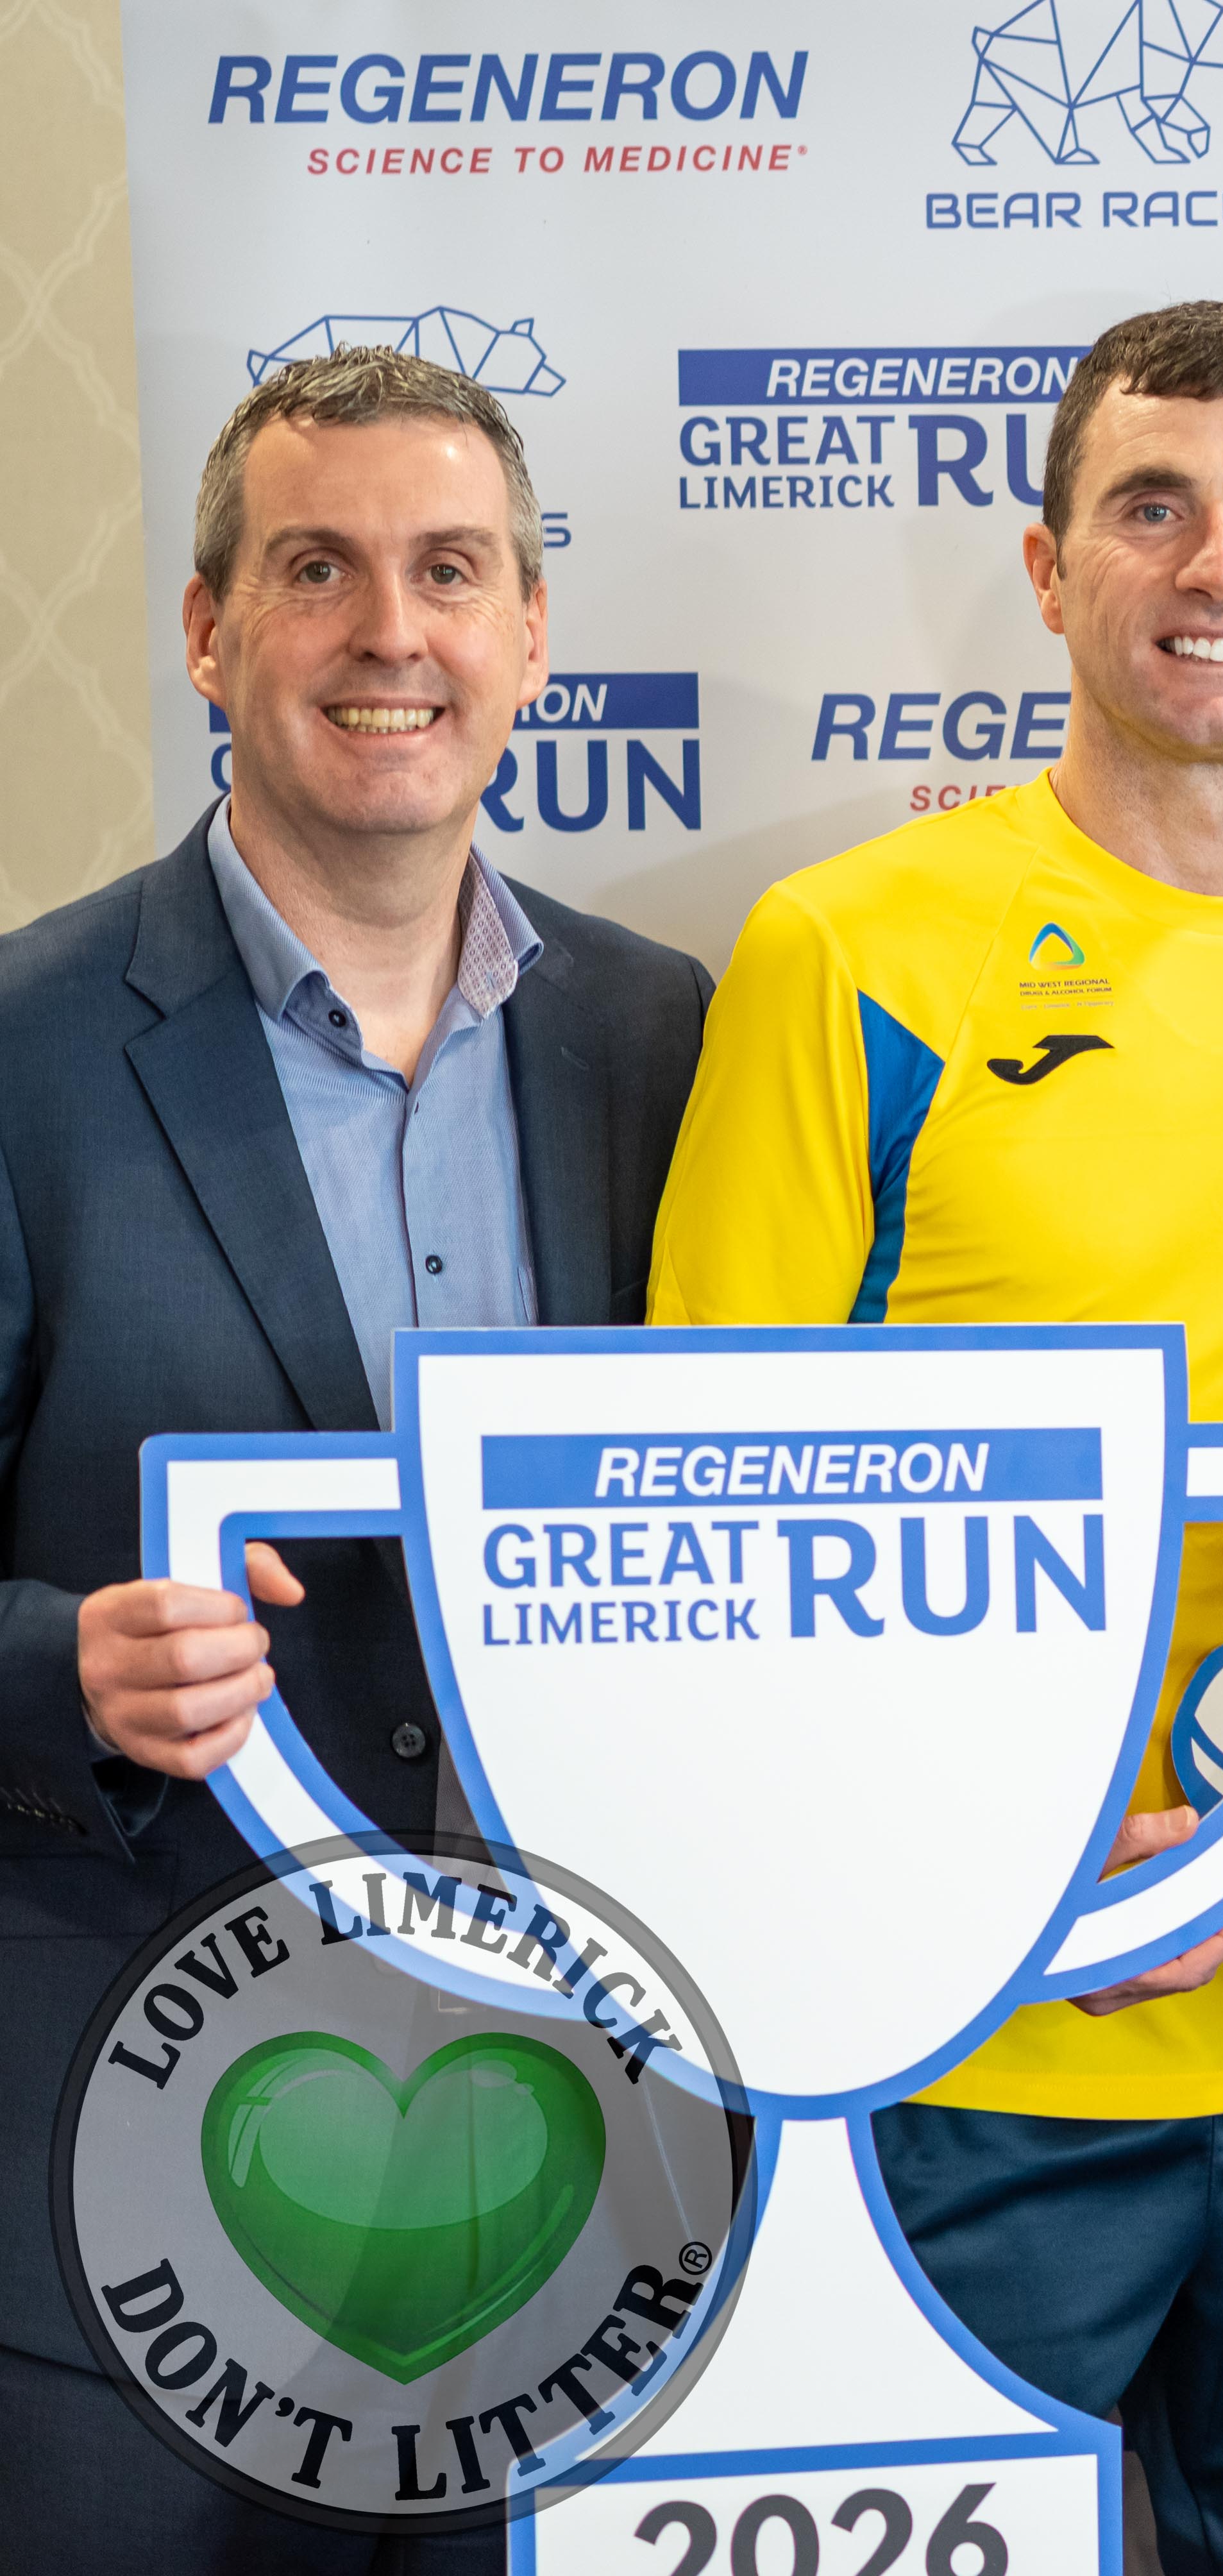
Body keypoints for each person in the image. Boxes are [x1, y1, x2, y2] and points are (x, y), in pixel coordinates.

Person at [646, 300, 1223, 2576]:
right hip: (965, 2036)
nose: (1217, 564)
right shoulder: (848, 952)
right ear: (1050, 569)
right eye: (1153, 506)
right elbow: (713, 1538)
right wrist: (990, 1873)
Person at [0, 346, 713, 2568]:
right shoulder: (20, 1052)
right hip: (128, 2174)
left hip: (598, 2167)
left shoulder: (677, 1043)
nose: (390, 632)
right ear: (209, 630)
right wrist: (60, 1668)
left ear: (530, 633)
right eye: (317, 570)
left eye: (451, 571)